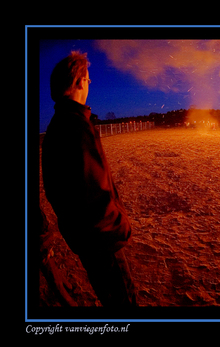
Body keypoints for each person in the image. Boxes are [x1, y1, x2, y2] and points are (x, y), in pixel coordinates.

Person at [42, 51, 137, 306]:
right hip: (102, 241)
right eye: (88, 78)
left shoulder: (57, 126)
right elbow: (94, 193)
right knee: (124, 303)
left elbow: (55, 192)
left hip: (85, 239)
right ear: (78, 82)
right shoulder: (74, 127)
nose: (90, 83)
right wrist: (119, 227)